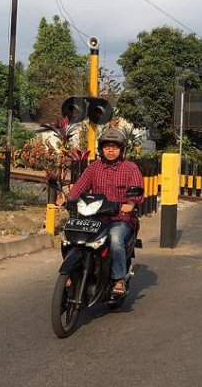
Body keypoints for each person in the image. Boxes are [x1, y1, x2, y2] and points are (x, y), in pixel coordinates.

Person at [60, 127, 144, 296]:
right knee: (70, 237)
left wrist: (131, 203)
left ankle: (118, 279)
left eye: (115, 147)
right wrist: (68, 200)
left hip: (120, 218)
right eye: (107, 147)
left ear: (121, 149)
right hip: (95, 217)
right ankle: (71, 273)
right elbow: (79, 187)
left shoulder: (130, 168)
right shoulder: (94, 168)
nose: (111, 150)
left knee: (115, 240)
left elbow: (138, 192)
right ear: (101, 149)